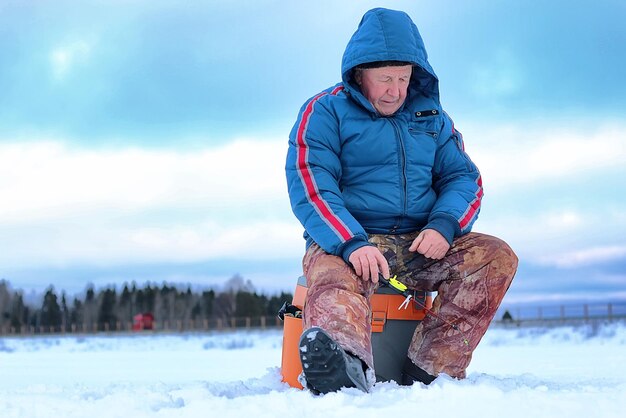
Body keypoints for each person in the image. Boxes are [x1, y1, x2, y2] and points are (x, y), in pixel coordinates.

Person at [285, 8, 518, 394]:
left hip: (420, 243)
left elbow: (464, 178)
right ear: (360, 74)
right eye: (385, 79)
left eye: (403, 78)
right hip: (350, 242)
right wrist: (351, 243)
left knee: (495, 256)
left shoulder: (434, 119)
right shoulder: (323, 111)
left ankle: (431, 372)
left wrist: (444, 226)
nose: (395, 90)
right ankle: (343, 366)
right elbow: (311, 185)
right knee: (332, 275)